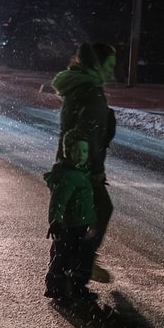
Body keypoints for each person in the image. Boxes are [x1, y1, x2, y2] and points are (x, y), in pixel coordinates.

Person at [51, 42, 117, 291]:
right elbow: (86, 135)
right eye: (109, 66)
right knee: (98, 211)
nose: (112, 72)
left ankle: (64, 273)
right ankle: (79, 267)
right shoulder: (90, 92)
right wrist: (93, 172)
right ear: (97, 66)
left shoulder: (79, 87)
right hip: (81, 168)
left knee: (72, 221)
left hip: (69, 165)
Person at [43, 129, 97, 300]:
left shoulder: (82, 174)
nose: (81, 155)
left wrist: (91, 220)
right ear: (68, 152)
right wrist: (56, 221)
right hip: (68, 226)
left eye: (84, 151)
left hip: (80, 225)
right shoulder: (69, 177)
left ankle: (75, 286)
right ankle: (55, 286)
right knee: (62, 256)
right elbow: (58, 201)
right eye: (77, 151)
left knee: (78, 256)